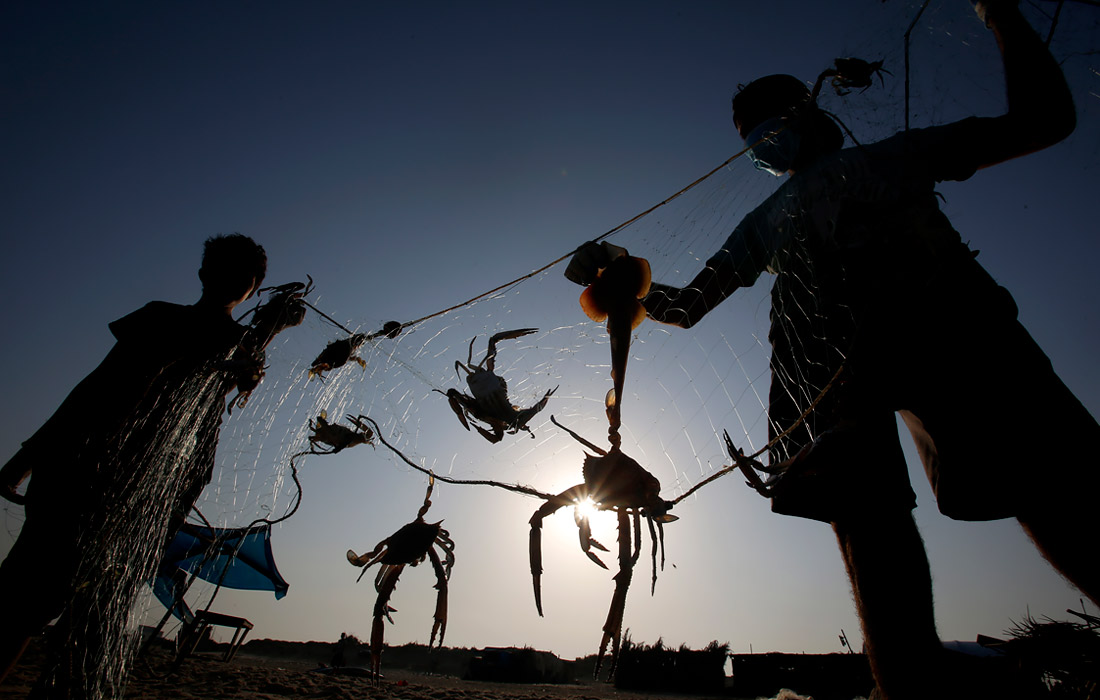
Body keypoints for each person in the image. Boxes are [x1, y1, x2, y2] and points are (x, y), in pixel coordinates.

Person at [566, 2, 1097, 698]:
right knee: (868, 509)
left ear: (813, 112)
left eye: (769, 130)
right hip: (836, 373)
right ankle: (910, 683)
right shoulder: (766, 223)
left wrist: (1000, 14)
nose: (767, 148)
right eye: (755, 145)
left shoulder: (897, 156)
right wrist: (618, 277)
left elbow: (1044, 121)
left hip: (959, 335)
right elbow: (686, 305)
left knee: (1047, 485)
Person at [0, 234, 303, 698]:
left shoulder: (242, 345)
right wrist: (27, 454)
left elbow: (211, 391)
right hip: (79, 471)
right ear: (203, 275)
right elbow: (93, 389)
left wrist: (270, 331)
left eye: (246, 276)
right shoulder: (160, 317)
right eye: (225, 270)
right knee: (25, 599)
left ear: (254, 286)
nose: (235, 281)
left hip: (148, 496)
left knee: (96, 614)